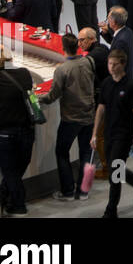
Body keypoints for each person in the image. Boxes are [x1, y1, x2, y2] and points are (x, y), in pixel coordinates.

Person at [91, 48, 133, 218]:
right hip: (109, 132)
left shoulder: (131, 86)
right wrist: (94, 133)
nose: (111, 67)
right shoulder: (106, 84)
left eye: (115, 64)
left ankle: (111, 209)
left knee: (115, 172)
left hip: (124, 134)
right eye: (109, 64)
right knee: (114, 169)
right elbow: (101, 109)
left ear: (123, 65)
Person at [37, 32, 96, 200]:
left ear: (63, 48)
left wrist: (36, 97)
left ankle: (68, 190)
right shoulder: (88, 62)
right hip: (89, 115)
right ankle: (84, 190)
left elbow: (52, 96)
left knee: (62, 152)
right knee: (86, 152)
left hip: (71, 118)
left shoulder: (62, 70)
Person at [0, 61, 37, 217]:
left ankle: (16, 204)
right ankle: (7, 197)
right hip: (26, 128)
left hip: (3, 130)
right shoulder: (24, 73)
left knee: (10, 169)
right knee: (21, 165)